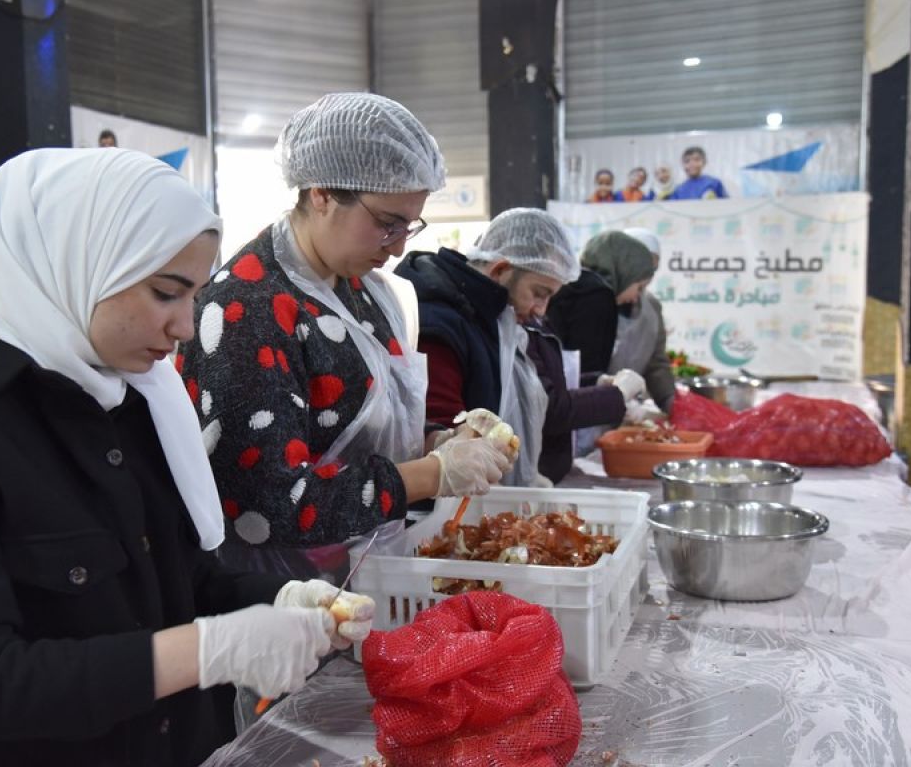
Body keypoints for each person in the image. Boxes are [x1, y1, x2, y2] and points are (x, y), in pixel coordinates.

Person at [0, 148, 375, 765]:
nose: (183, 326)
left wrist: (277, 600)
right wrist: (206, 650)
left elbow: (182, 580)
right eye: (166, 293)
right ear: (76, 264)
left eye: (195, 295)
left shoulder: (136, 396)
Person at [182, 93, 511, 581]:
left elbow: (354, 434)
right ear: (321, 194)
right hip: (285, 593)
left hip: (368, 569)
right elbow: (269, 503)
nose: (399, 247)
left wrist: (437, 443)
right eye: (386, 223)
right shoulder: (246, 308)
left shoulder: (361, 288)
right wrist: (431, 474)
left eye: (410, 224)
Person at [456, 209, 640, 484]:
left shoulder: (517, 321)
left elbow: (540, 388)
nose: (541, 310)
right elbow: (551, 406)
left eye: (549, 297)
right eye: (539, 293)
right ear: (500, 270)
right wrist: (615, 396)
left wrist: (596, 381)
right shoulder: (475, 324)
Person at [547, 231, 658, 455]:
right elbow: (582, 367)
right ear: (624, 272)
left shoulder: (576, 285)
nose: (637, 297)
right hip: (566, 420)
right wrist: (615, 398)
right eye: (639, 286)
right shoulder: (597, 296)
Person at [612, 228, 676, 414]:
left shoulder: (652, 308)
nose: (646, 273)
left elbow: (656, 364)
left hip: (628, 414)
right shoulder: (595, 301)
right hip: (590, 411)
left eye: (652, 269)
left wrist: (670, 402)